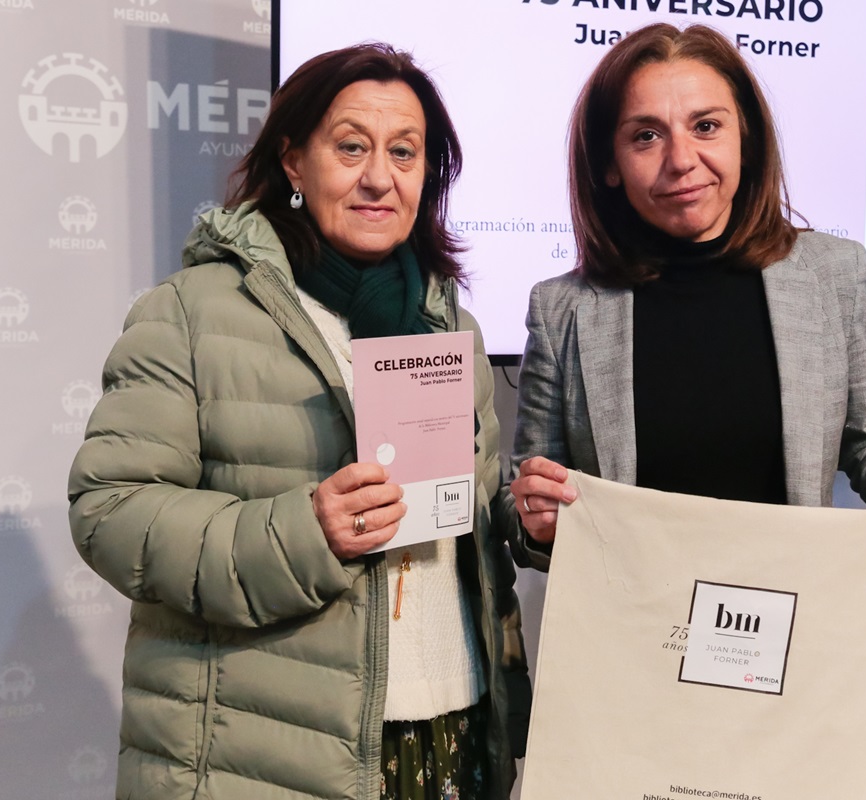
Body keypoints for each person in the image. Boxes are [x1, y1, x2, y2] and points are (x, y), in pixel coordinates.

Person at [68, 43, 528, 800]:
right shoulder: (190, 311)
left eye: (404, 152)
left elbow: (466, 525)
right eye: (350, 147)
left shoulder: (453, 327)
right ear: (293, 162)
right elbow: (110, 512)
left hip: (454, 733)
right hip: (275, 755)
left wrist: (523, 517)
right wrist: (304, 532)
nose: (379, 176)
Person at [504, 23, 866, 568]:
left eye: (706, 126)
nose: (681, 160)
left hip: (789, 603)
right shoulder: (561, 309)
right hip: (631, 612)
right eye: (646, 136)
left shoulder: (833, 274)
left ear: (745, 138)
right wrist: (536, 521)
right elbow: (525, 505)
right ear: (609, 163)